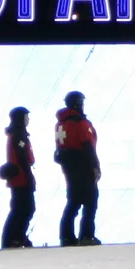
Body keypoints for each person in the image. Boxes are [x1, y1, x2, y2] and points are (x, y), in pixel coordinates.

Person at [54, 91, 101, 246]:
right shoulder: (80, 123)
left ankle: (66, 236)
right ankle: (86, 235)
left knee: (73, 201)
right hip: (83, 164)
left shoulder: (61, 123)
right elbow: (88, 146)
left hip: (68, 166)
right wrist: (95, 166)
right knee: (90, 200)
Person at [0, 106, 38, 249]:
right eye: (26, 116)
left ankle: (16, 236)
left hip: (18, 177)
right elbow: (22, 158)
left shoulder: (15, 134)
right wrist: (29, 177)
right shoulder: (19, 135)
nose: (28, 119)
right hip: (21, 177)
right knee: (25, 208)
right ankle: (15, 236)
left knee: (21, 208)